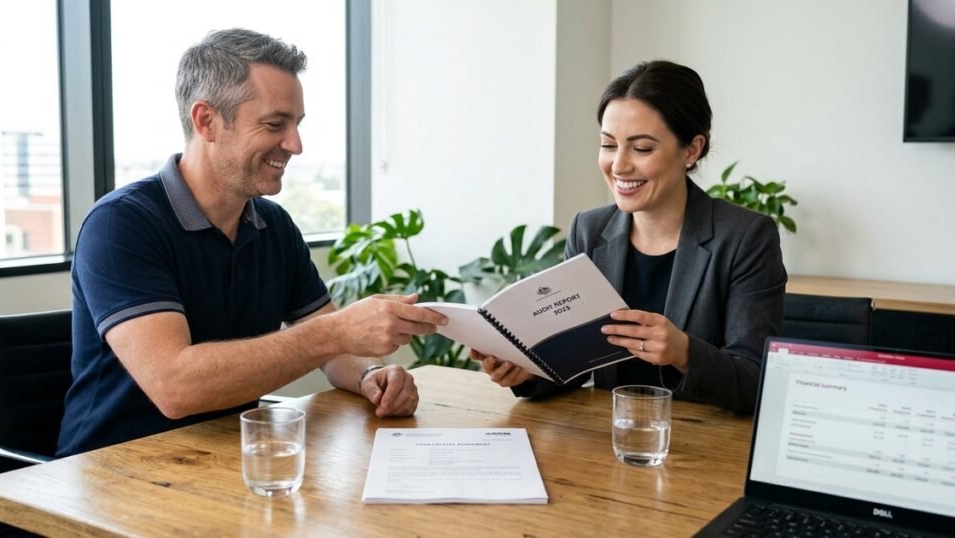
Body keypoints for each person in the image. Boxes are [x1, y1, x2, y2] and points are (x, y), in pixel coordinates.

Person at [56, 29, 447, 456]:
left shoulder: (272, 225)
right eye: (275, 124)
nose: (295, 145)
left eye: (297, 125)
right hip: (111, 477)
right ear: (206, 121)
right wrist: (336, 332)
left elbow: (334, 352)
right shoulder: (120, 225)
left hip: (224, 459)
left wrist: (371, 374)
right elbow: (175, 387)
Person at [474, 60, 786, 414]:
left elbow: (756, 381)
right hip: (612, 439)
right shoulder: (588, 231)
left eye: (641, 148)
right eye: (608, 145)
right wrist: (525, 374)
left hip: (704, 450)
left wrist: (683, 351)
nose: (619, 165)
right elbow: (575, 364)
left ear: (692, 149)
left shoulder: (745, 238)